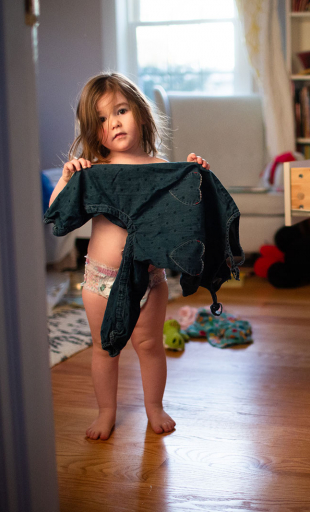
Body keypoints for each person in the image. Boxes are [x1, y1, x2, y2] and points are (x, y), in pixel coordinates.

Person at [48, 72, 210, 440]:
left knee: (149, 345)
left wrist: (196, 176)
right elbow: (57, 214)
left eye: (121, 111)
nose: (114, 122)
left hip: (149, 280)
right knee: (105, 348)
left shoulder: (162, 169)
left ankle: (155, 406)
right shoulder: (95, 172)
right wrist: (66, 179)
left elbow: (189, 215)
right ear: (93, 130)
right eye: (101, 119)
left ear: (140, 111)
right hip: (100, 281)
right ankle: (106, 411)